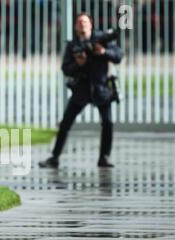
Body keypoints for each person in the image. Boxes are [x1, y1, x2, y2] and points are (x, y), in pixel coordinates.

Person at [39, 12, 123, 169]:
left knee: (108, 123)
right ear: (76, 27)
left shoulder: (101, 40)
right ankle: (54, 157)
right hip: (81, 90)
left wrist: (104, 52)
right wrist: (79, 63)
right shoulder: (72, 46)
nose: (82, 25)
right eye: (79, 22)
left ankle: (104, 157)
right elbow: (66, 69)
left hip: (101, 88)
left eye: (85, 22)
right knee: (65, 124)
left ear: (91, 24)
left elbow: (118, 55)